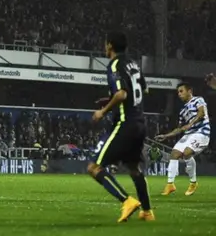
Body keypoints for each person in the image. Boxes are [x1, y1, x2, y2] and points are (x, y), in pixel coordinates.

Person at [88, 31, 153, 222]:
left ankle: (127, 201)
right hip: (140, 123)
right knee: (133, 168)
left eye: (104, 44)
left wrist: (103, 111)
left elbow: (122, 94)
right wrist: (111, 99)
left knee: (94, 167)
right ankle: (147, 212)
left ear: (109, 45)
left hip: (126, 123)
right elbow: (144, 89)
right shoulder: (134, 64)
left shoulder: (115, 64)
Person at [155, 82, 210, 196]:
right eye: (178, 92)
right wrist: (166, 136)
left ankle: (193, 182)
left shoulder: (198, 100)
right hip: (189, 135)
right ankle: (170, 184)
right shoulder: (182, 111)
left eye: (181, 91)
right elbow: (179, 129)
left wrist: (190, 124)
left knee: (187, 153)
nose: (179, 94)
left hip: (201, 132)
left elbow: (201, 113)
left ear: (189, 91)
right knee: (174, 154)